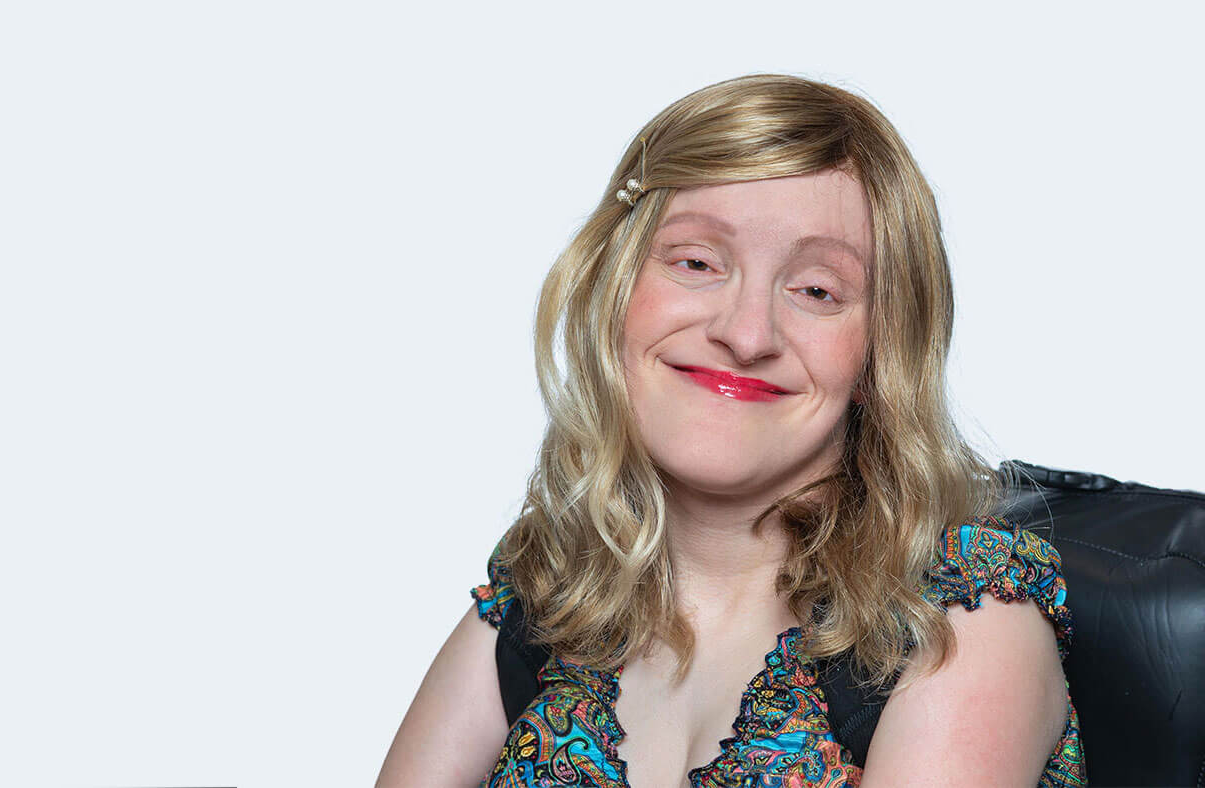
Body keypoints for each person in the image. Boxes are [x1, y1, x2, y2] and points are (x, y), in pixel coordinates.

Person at [376, 73, 1085, 787]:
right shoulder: (544, 591)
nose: (746, 336)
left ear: (881, 353)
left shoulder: (966, 617)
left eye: (817, 291)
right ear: (613, 288)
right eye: (697, 263)